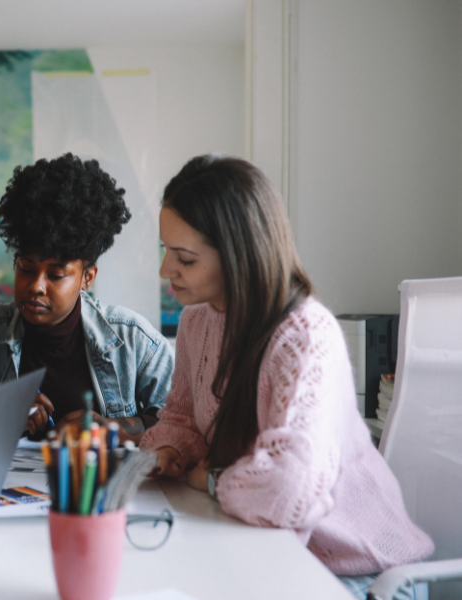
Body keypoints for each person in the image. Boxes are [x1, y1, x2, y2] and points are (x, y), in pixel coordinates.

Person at [142, 155, 433, 599]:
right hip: (263, 546)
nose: (166, 270)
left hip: (357, 572)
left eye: (185, 258)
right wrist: (168, 449)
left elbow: (290, 491)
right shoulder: (196, 322)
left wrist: (215, 479)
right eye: (165, 251)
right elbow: (183, 420)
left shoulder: (304, 337)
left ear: (237, 255)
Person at [0, 153, 175, 443]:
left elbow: (182, 418)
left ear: (88, 277)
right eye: (26, 268)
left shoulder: (132, 340)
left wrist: (111, 430)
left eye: (56, 275)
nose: (36, 286)